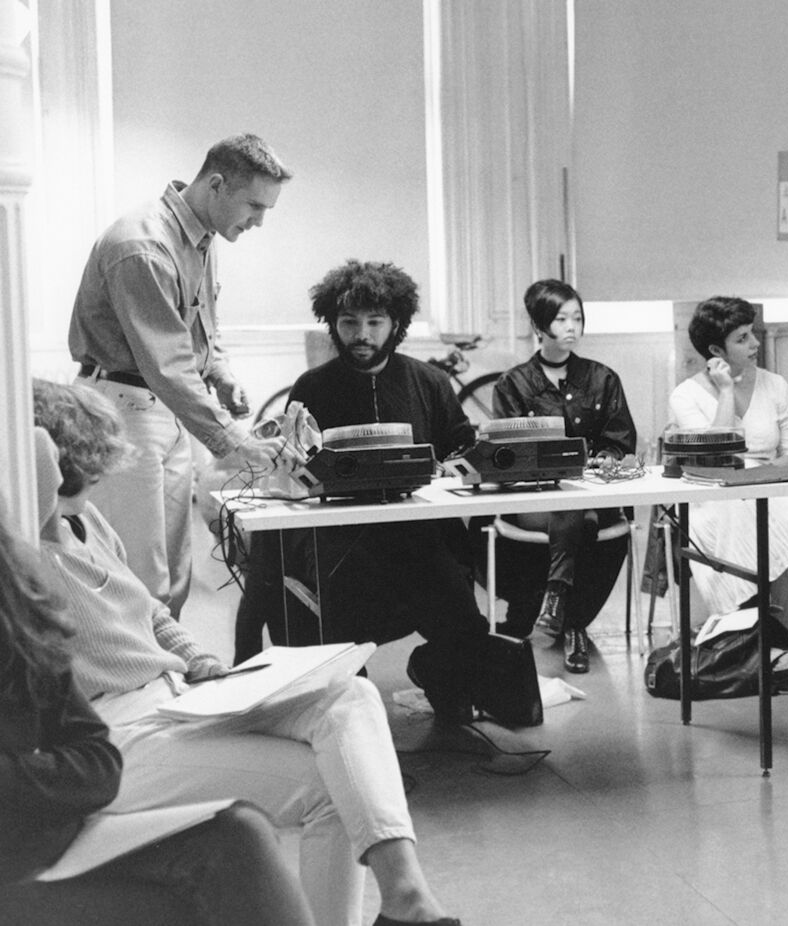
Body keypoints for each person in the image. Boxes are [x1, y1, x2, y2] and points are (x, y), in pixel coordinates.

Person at [32, 380, 460, 926]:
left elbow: (151, 613)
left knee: (350, 693)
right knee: (333, 789)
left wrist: (203, 662)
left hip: (174, 698)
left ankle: (407, 898)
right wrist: (34, 446)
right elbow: (34, 504)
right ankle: (407, 907)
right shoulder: (27, 545)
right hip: (116, 736)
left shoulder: (87, 518)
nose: (97, 478)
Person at [0, 504, 315, 926]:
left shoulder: (15, 603)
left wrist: (24, 777)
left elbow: (99, 760)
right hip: (27, 852)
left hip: (47, 835)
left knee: (240, 835)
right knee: (231, 853)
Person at [234, 259, 494, 719]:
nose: (362, 335)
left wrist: (456, 467)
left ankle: (434, 671)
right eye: (349, 322)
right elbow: (294, 468)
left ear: (396, 323)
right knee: (338, 663)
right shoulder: (312, 387)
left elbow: (462, 449)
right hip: (341, 545)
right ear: (332, 323)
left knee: (465, 634)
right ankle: (351, 701)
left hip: (421, 541)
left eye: (375, 322)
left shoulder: (430, 383)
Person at [68, 134, 291, 619]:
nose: (258, 221)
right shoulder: (143, 245)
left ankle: (171, 679)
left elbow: (199, 332)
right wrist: (232, 440)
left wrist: (222, 372)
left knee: (173, 573)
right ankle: (139, 687)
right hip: (124, 409)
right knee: (137, 576)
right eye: (254, 205)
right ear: (216, 184)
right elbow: (166, 362)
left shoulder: (201, 238)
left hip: (160, 409)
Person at [670, 296, 788, 634]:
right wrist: (725, 393)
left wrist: (755, 479)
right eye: (742, 339)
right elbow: (714, 457)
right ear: (716, 351)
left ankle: (761, 619)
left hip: (769, 490)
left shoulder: (775, 385)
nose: (754, 344)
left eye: (752, 334)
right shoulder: (685, 396)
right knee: (743, 511)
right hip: (711, 502)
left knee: (759, 505)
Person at [490, 279, 637, 673]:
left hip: (593, 496)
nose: (572, 326)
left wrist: (603, 460)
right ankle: (573, 623)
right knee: (576, 512)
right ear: (539, 327)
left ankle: (558, 605)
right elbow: (507, 452)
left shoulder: (602, 378)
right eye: (561, 318)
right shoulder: (513, 384)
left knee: (581, 509)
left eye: (577, 317)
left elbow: (621, 441)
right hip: (537, 500)